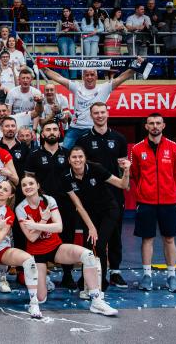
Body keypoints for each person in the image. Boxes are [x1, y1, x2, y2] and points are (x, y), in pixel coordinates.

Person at [16, 174, 118, 315]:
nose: (28, 187)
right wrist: (44, 220)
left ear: (38, 185)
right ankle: (44, 279)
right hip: (36, 253)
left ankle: (96, 301)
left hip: (55, 247)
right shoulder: (21, 208)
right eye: (24, 185)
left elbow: (59, 227)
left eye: (31, 183)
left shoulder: (49, 200)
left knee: (88, 255)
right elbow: (31, 237)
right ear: (21, 189)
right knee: (40, 298)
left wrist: (35, 225)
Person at [75, 102, 128, 288]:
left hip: (114, 195)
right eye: (96, 113)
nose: (99, 116)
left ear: (108, 113)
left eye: (102, 112)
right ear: (91, 116)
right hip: (92, 196)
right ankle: (88, 272)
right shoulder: (83, 140)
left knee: (115, 235)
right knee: (91, 236)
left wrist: (124, 181)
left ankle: (115, 272)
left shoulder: (119, 138)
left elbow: (122, 168)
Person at [63, 146, 130, 292]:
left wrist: (126, 171)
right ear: (69, 160)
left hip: (108, 210)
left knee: (99, 245)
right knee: (88, 247)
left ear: (85, 158)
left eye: (80, 156)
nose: (77, 160)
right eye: (74, 157)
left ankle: (101, 282)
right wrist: (91, 227)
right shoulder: (66, 177)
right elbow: (79, 206)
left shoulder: (96, 168)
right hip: (89, 213)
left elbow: (122, 184)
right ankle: (85, 279)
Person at [131, 113, 176, 293]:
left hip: (168, 201)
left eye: (158, 123)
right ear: (146, 126)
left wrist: (168, 189)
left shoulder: (175, 148)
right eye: (151, 123)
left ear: (163, 125)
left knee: (169, 238)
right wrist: (146, 189)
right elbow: (135, 174)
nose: (155, 126)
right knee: (147, 238)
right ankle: (147, 276)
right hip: (146, 201)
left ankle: (171, 277)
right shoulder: (137, 149)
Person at [0, 180, 42, 317]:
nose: (0, 191)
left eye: (5, 190)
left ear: (10, 195)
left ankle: (34, 304)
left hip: (1, 250)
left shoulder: (9, 213)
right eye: (0, 187)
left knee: (29, 260)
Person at [24, 120, 76, 289]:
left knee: (67, 237)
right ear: (43, 134)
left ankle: (68, 274)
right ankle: (43, 275)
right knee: (41, 238)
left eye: (55, 129)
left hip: (65, 203)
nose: (52, 132)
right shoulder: (34, 155)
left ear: (59, 133)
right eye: (48, 129)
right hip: (41, 205)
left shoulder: (67, 154)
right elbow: (28, 180)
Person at [42, 63, 141, 149]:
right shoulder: (77, 86)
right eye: (87, 75)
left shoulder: (104, 88)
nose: (89, 77)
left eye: (92, 74)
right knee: (64, 152)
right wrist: (43, 68)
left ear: (96, 76)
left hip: (93, 129)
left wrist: (137, 65)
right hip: (75, 128)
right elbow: (59, 78)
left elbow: (122, 77)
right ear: (83, 77)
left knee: (94, 156)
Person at [56, 7, 79, 73]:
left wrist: (75, 28)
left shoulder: (74, 21)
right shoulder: (60, 21)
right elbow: (56, 33)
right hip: (62, 39)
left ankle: (73, 76)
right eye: (64, 12)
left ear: (70, 12)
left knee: (73, 57)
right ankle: (64, 75)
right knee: (64, 57)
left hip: (71, 39)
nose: (65, 13)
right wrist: (64, 31)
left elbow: (79, 32)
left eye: (67, 11)